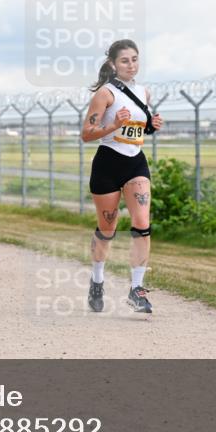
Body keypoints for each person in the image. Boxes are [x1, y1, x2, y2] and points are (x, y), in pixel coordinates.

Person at [80, 39, 164, 314]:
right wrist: (113, 125)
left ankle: (136, 289)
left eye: (135, 59)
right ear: (113, 64)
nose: (131, 65)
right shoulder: (105, 94)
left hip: (135, 163)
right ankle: (97, 280)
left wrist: (152, 125)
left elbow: (139, 128)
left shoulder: (143, 92)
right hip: (108, 164)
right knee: (107, 229)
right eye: (125, 60)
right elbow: (86, 134)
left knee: (142, 223)